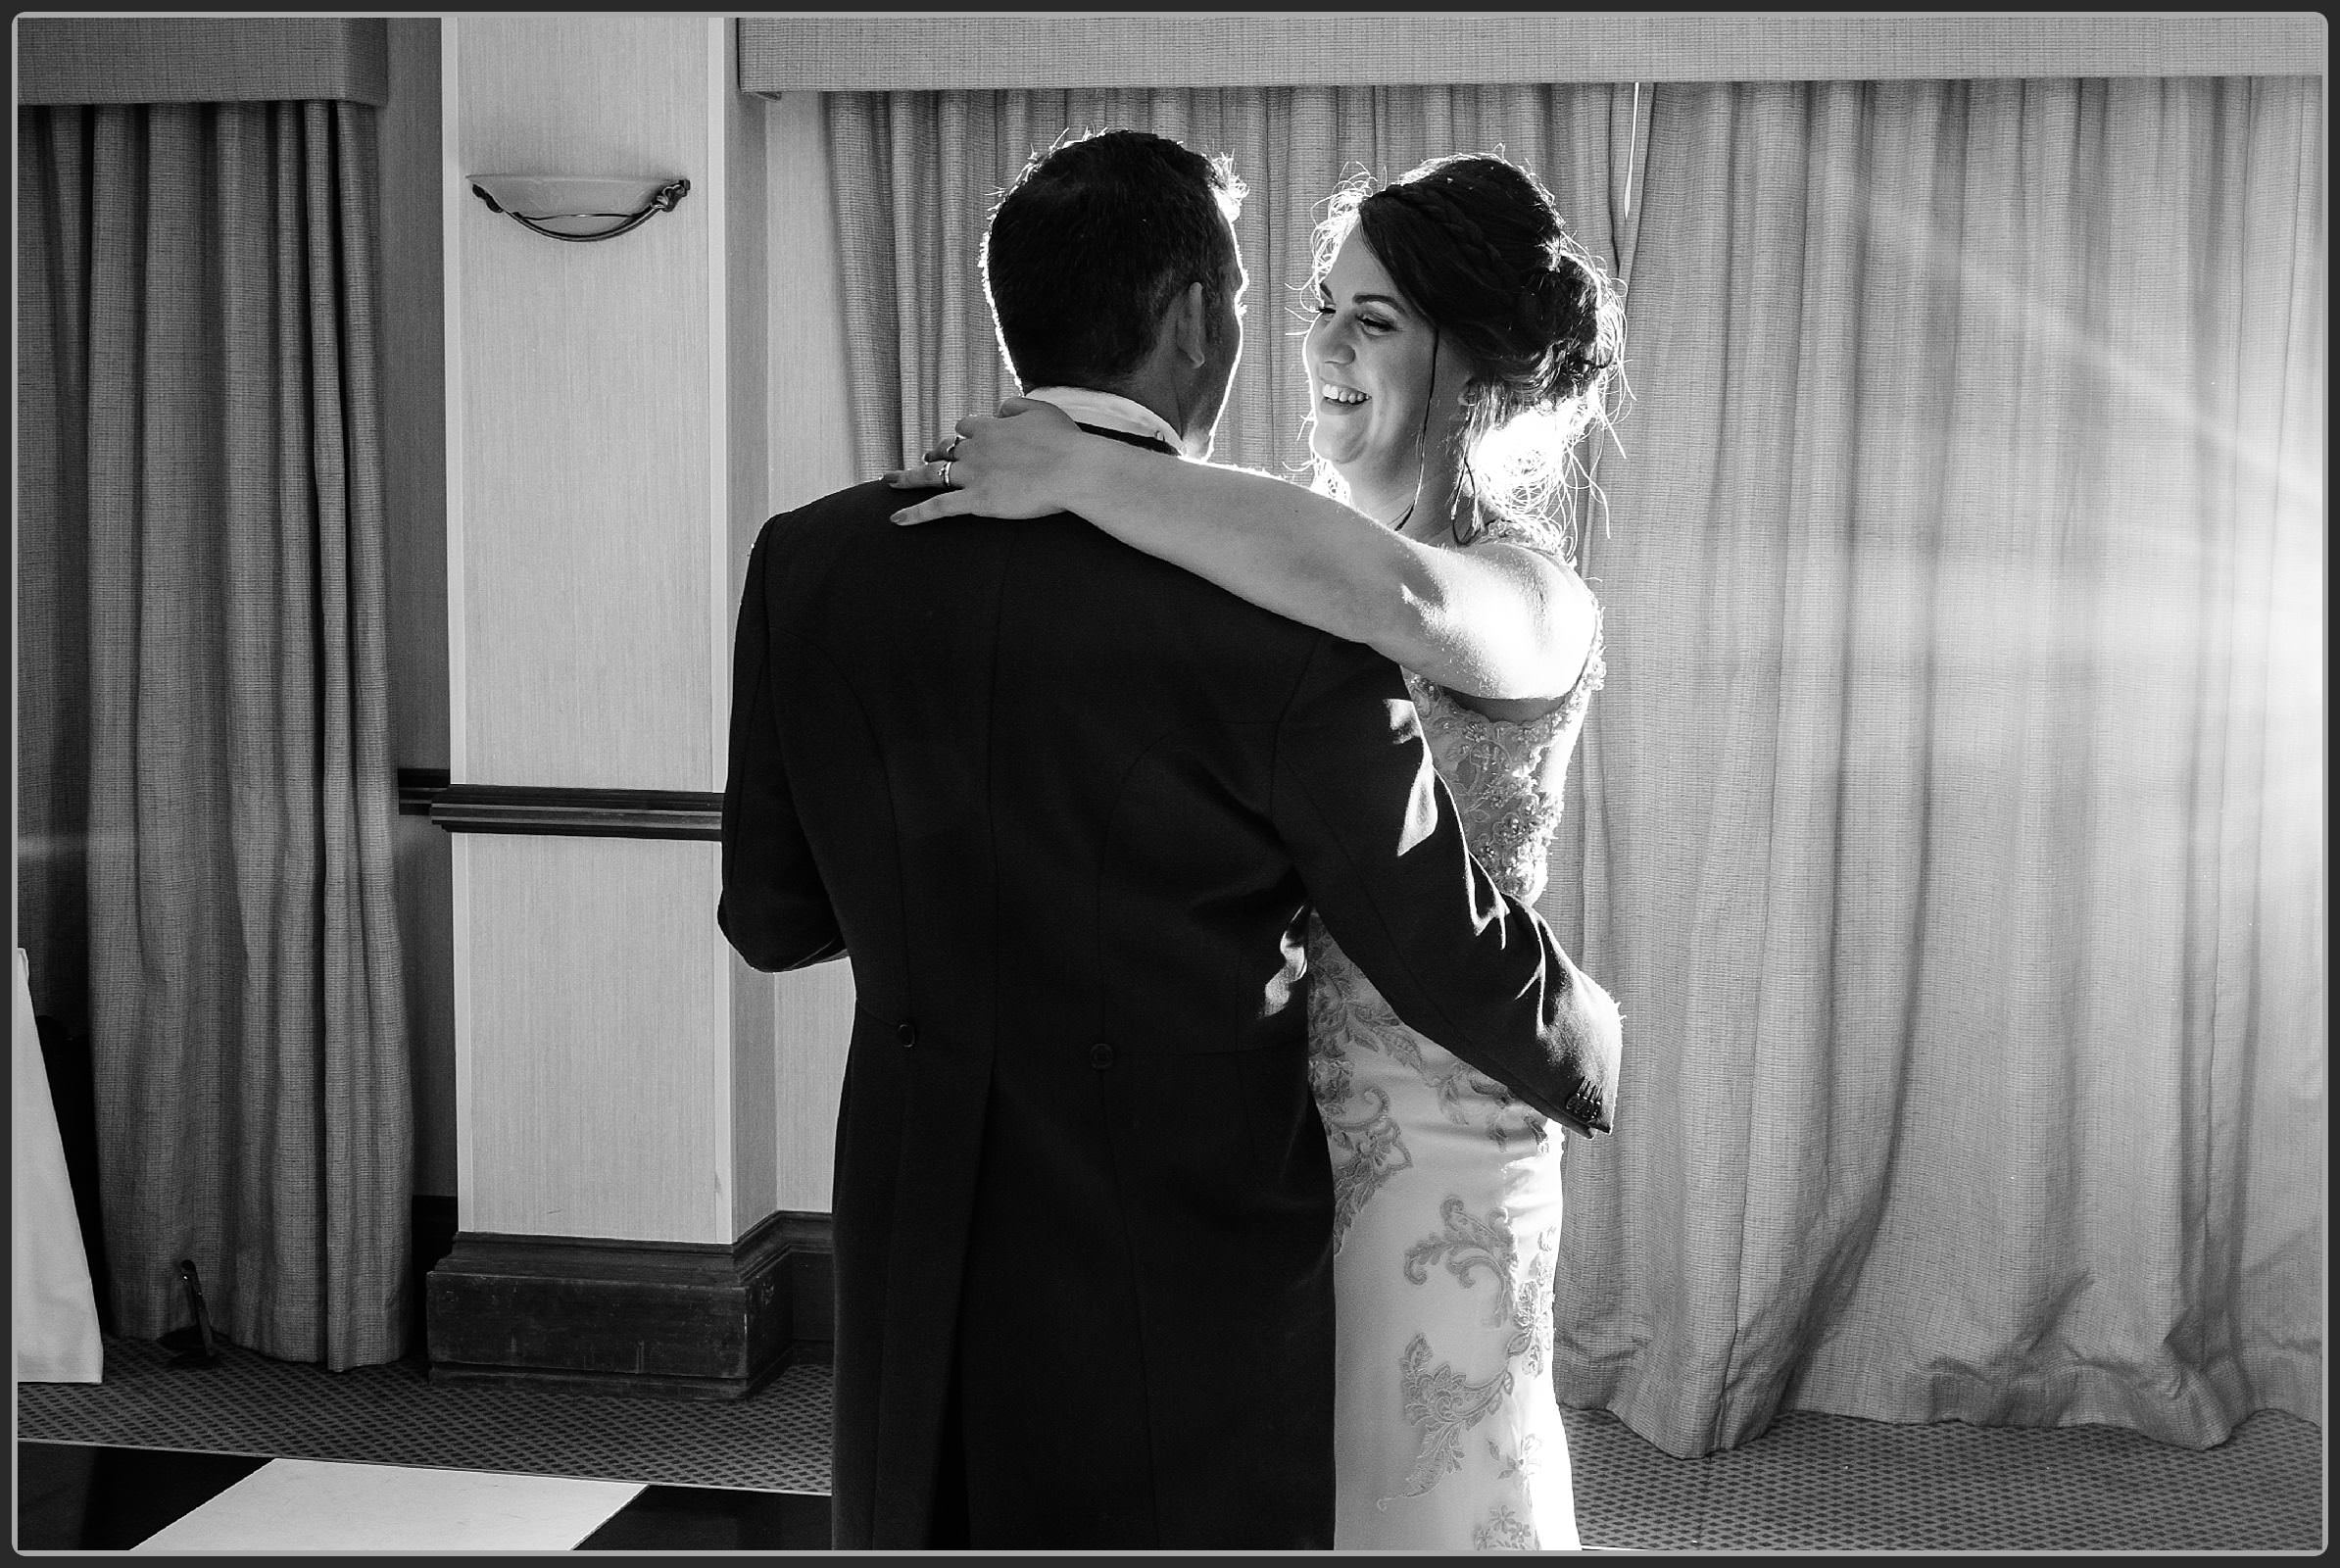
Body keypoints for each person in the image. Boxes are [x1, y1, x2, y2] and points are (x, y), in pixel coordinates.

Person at [721, 128, 1622, 1553]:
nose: (1314, 340)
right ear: (1203, 317)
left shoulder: (817, 558)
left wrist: (1077, 471)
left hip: (1376, 1142)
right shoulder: (1260, 592)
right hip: (1221, 1174)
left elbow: (774, 919)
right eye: (1307, 301)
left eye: (1365, 315)